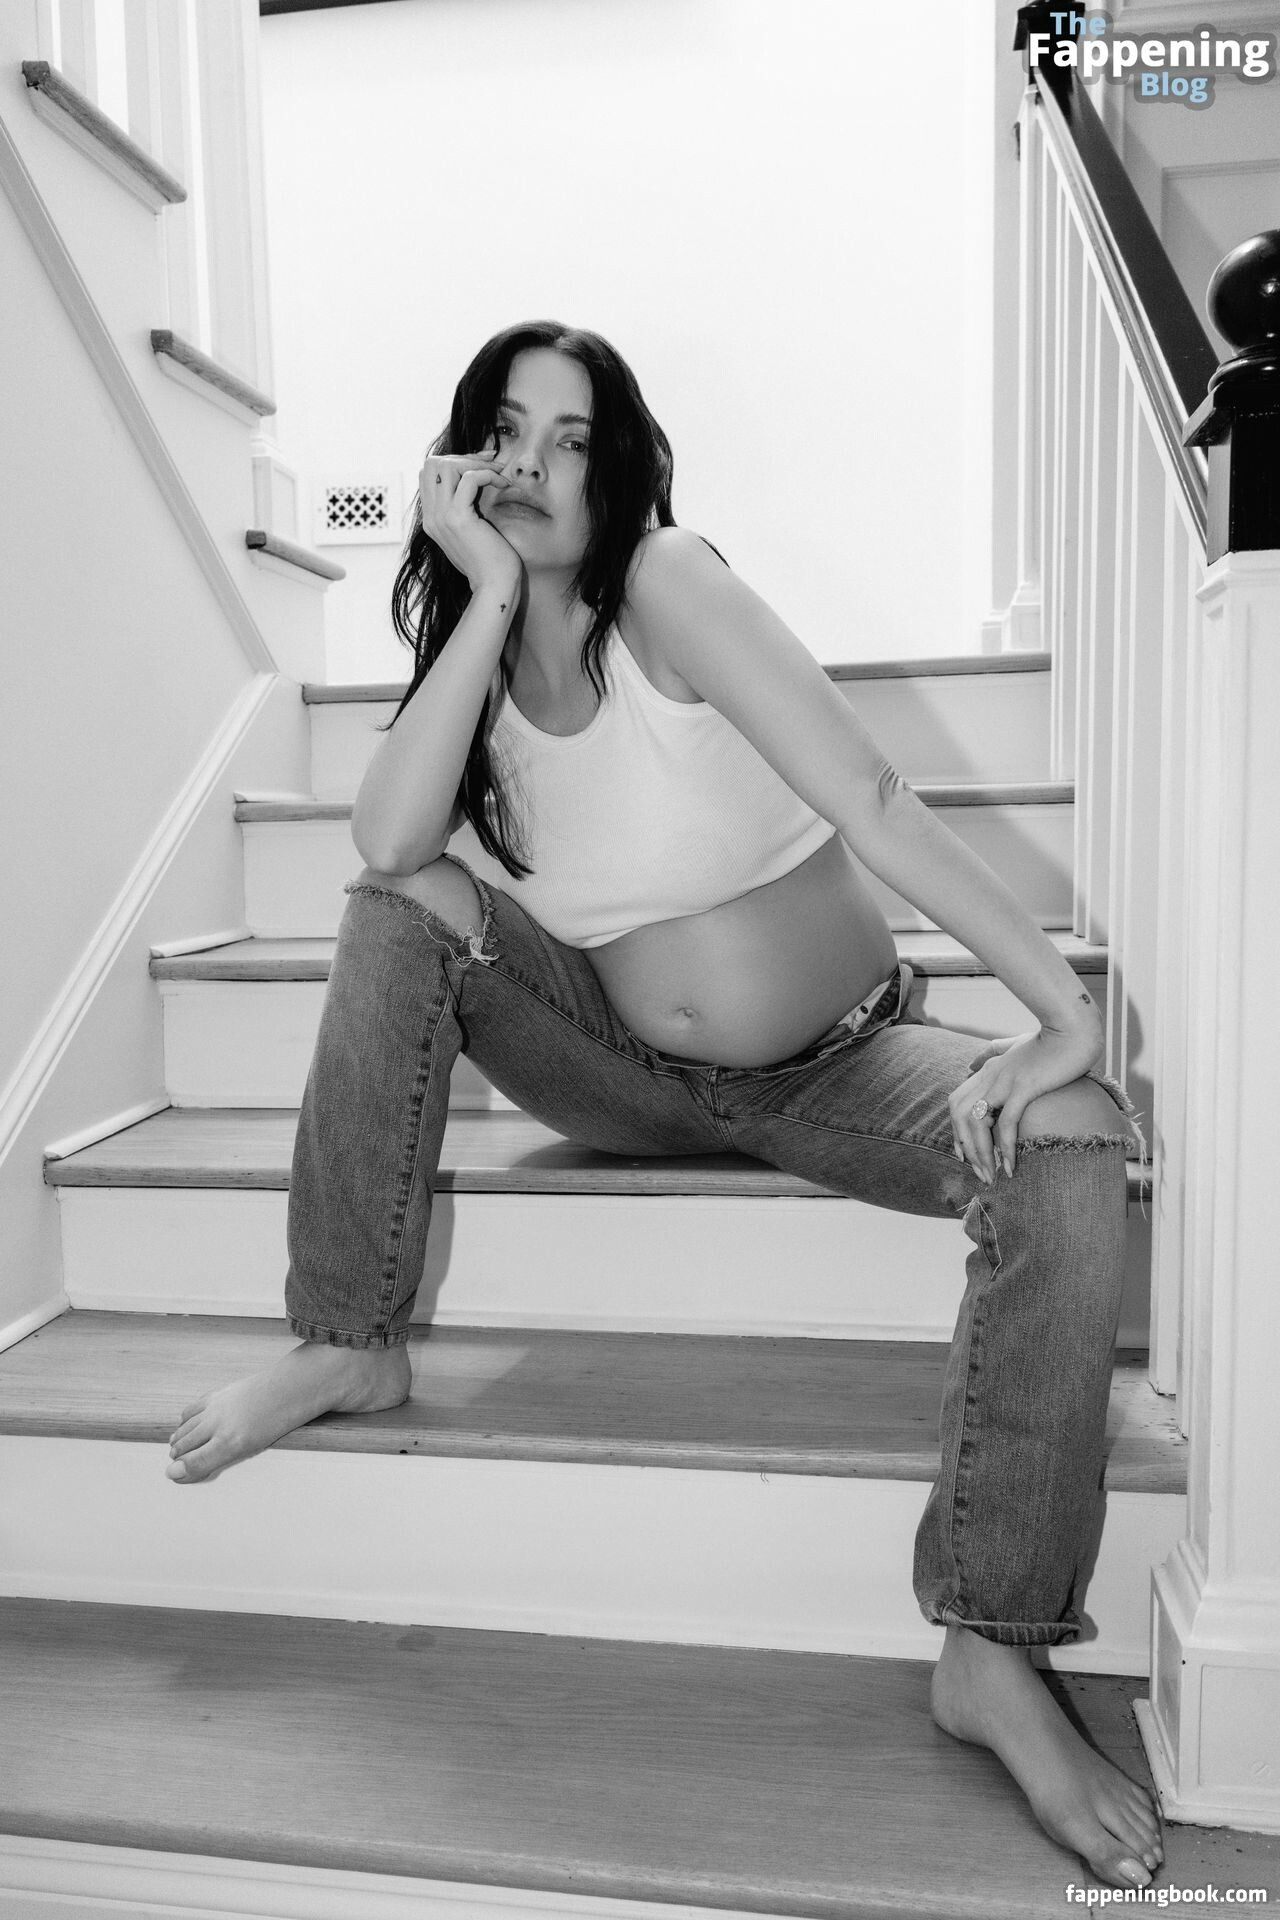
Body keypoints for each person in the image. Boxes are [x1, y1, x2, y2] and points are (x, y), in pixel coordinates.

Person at [166, 321, 1162, 1890]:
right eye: (506, 431)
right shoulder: (479, 663)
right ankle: (348, 1339)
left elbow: (876, 799)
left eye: (570, 440)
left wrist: (1061, 1014)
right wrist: (486, 599)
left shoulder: (671, 588)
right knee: (403, 902)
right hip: (626, 1076)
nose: (533, 465)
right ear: (460, 463)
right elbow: (387, 844)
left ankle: (991, 1647)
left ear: (617, 468)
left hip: (839, 1065)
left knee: (1077, 1130)